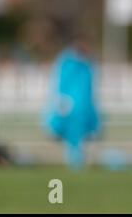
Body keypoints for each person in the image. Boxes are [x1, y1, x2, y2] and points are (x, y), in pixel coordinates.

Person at [43, 33, 101, 170]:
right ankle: (75, 160)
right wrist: (61, 101)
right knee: (72, 134)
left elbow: (89, 87)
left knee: (82, 134)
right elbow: (60, 83)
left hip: (83, 107)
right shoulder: (67, 62)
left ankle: (78, 159)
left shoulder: (87, 64)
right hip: (70, 106)